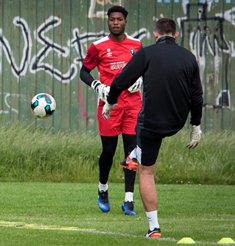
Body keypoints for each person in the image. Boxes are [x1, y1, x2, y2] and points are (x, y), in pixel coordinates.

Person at [102, 18, 203, 238]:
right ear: (176, 35)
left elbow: (121, 81)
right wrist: (196, 125)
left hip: (152, 124)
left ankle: (154, 228)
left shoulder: (146, 53)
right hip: (177, 121)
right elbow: (197, 96)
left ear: (155, 35)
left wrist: (110, 101)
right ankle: (135, 153)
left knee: (146, 171)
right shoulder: (189, 57)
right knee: (144, 137)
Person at [80, 5, 142, 215]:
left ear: (125, 21)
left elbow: (145, 69)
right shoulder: (97, 46)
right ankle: (103, 188)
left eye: (119, 19)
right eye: (112, 19)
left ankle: (129, 200)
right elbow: (84, 72)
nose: (115, 22)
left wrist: (140, 80)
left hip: (133, 104)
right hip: (110, 105)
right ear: (108, 22)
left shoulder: (136, 45)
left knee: (132, 153)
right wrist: (97, 86)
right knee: (108, 150)